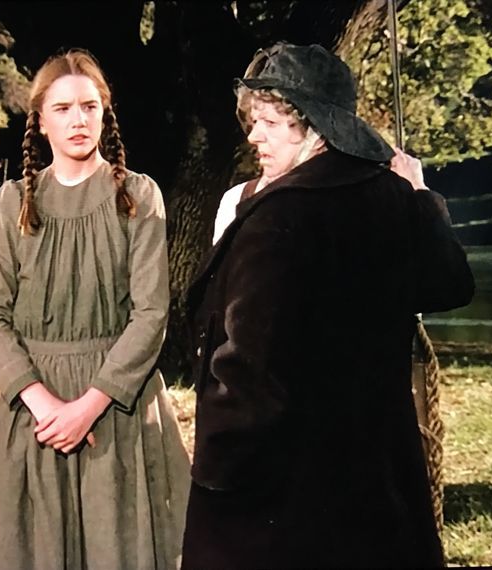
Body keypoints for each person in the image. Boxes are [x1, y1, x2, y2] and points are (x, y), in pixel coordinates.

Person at [182, 43, 474, 568]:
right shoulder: (391, 196)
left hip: (283, 490)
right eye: (255, 121)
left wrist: (217, 469)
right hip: (375, 479)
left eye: (271, 123)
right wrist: (421, 197)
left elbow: (247, 371)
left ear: (315, 128)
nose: (254, 136)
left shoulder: (276, 217)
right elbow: (449, 283)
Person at [0, 48, 190, 569]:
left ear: (104, 114)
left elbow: (150, 314)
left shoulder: (137, 196)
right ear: (40, 121)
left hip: (114, 409)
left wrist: (88, 407)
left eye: (90, 107)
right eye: (64, 108)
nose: (78, 120)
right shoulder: (13, 203)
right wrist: (46, 406)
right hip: (36, 415)